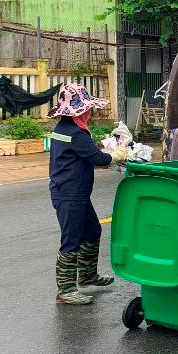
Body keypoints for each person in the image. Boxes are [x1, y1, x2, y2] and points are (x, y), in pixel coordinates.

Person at [47, 83, 126, 305]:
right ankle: (66, 289)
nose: (90, 112)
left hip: (75, 192)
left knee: (92, 230)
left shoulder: (64, 128)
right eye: (87, 108)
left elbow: (85, 153)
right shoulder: (76, 133)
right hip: (69, 194)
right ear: (80, 110)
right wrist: (116, 155)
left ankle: (88, 276)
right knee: (71, 239)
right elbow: (97, 159)